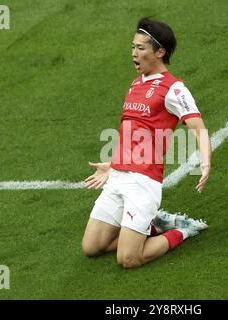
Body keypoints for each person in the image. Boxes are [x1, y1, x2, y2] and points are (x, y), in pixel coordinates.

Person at [81, 17, 212, 268]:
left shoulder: (173, 89)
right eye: (133, 47)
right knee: (91, 248)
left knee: (129, 258)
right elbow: (134, 133)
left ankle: (183, 230)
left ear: (160, 51)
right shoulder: (135, 84)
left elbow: (198, 128)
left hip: (143, 183)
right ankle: (149, 226)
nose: (134, 54)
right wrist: (113, 164)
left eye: (141, 48)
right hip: (118, 177)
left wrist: (206, 162)